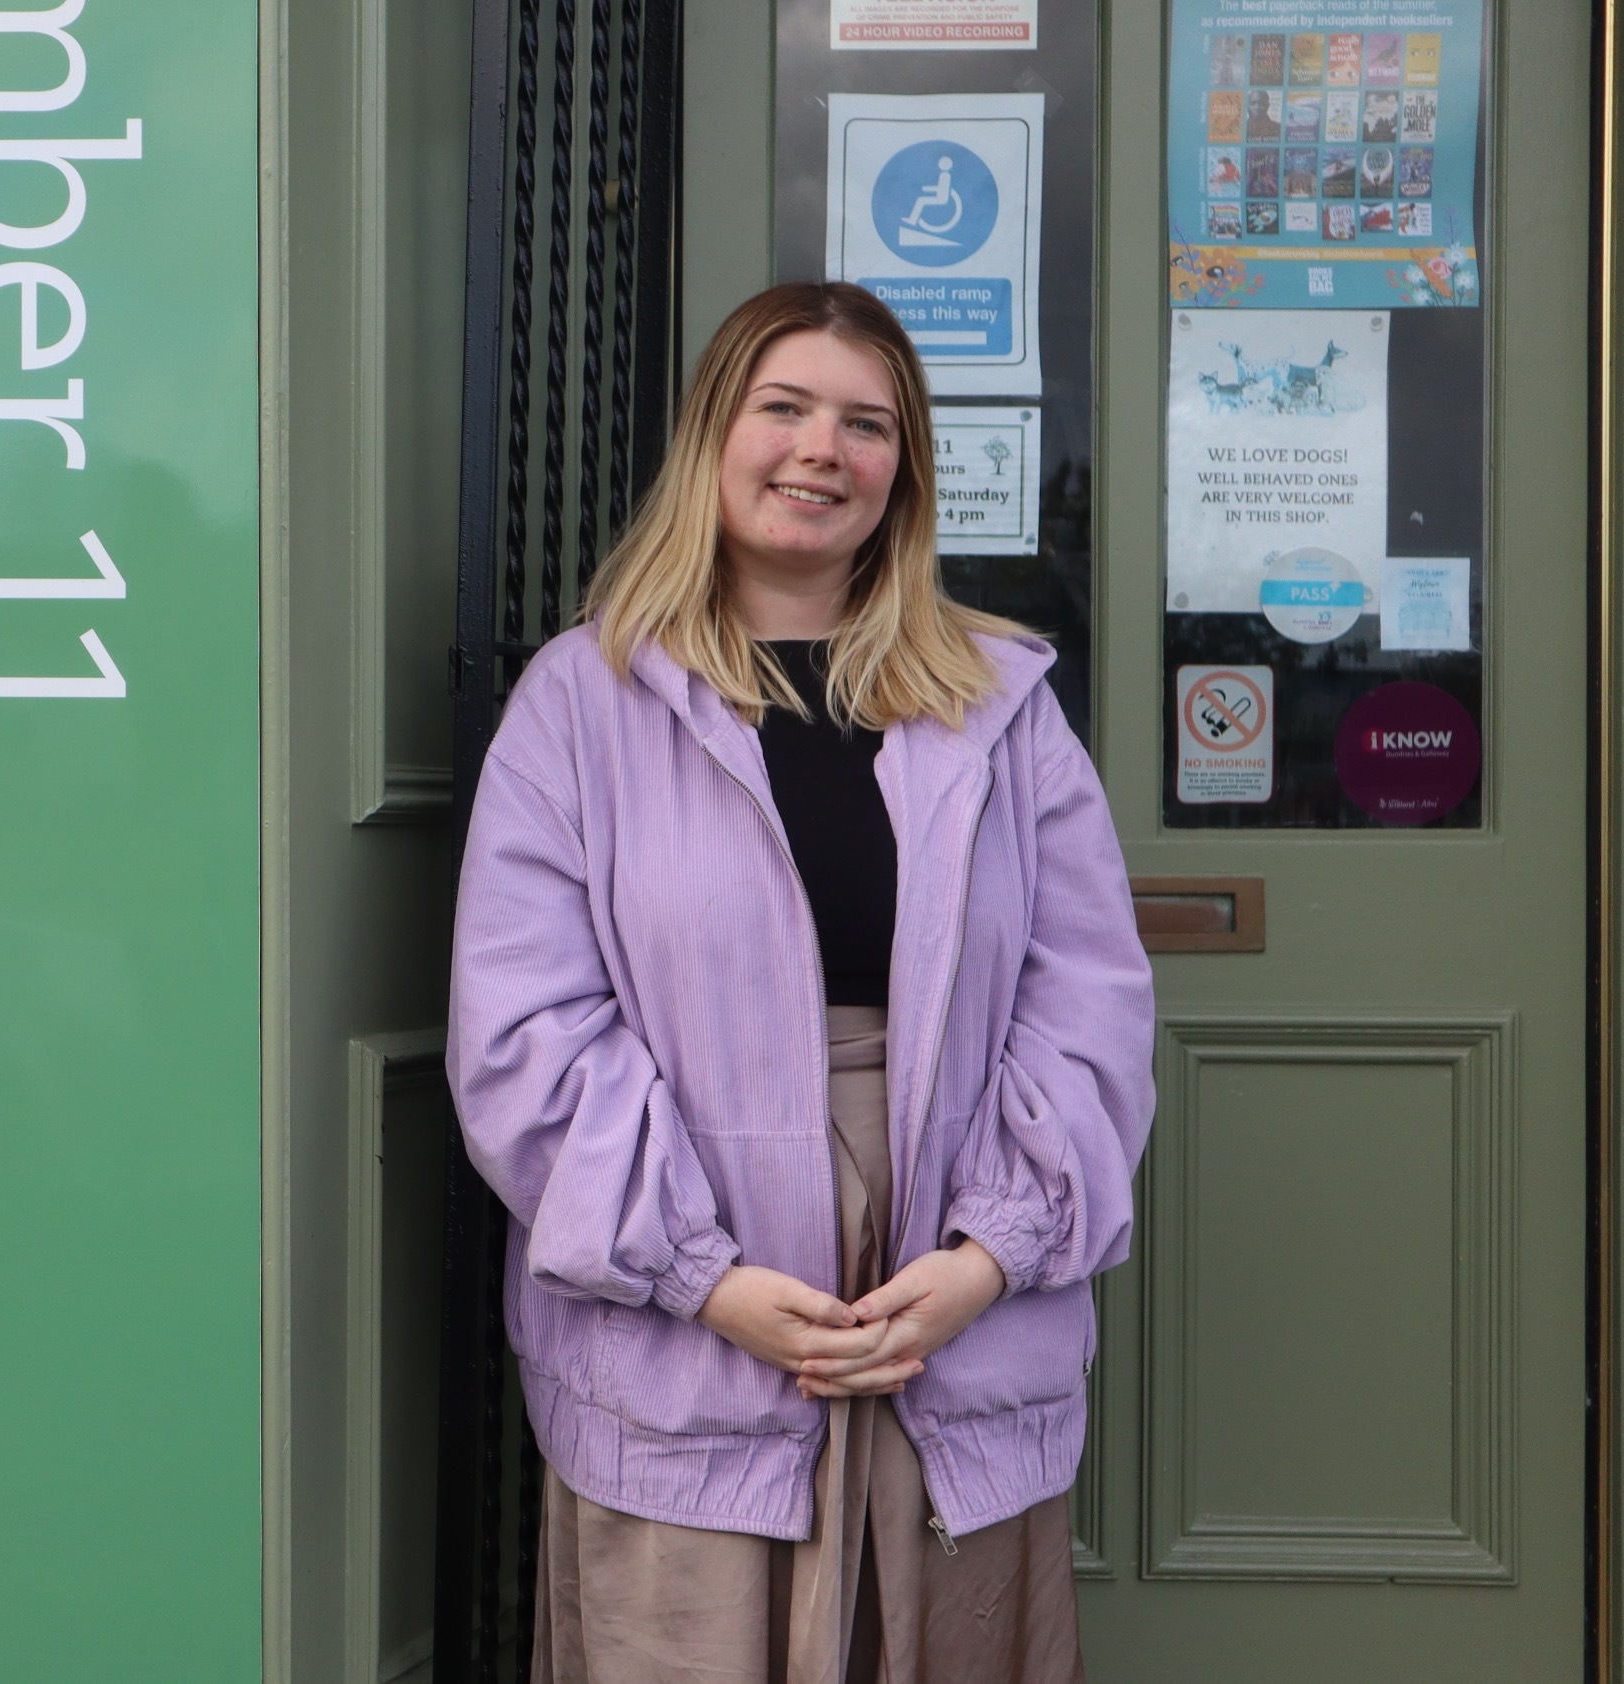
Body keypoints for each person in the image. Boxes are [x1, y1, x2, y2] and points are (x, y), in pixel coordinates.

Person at [448, 281, 1154, 1683]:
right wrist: (701, 1279)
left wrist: (986, 1258)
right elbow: (526, 1031)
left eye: (867, 423)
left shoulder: (1000, 703)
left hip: (948, 1309)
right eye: (785, 407)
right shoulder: (582, 706)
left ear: (904, 473)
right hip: (691, 1337)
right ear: (716, 433)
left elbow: (1090, 1004)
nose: (821, 449)